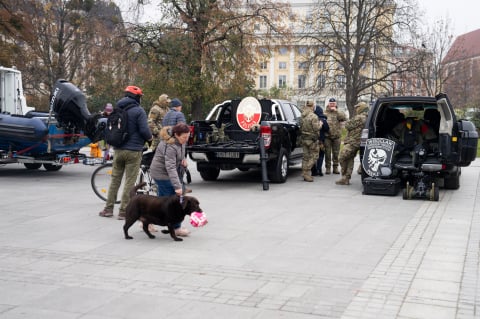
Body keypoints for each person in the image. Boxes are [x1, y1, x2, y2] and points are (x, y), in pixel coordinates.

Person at [98, 85, 153, 219]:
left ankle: (108, 209)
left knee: (115, 179)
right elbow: (144, 130)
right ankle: (123, 211)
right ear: (136, 97)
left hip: (118, 149)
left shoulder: (117, 109)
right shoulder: (139, 111)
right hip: (133, 151)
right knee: (129, 181)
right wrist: (150, 138)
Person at [149, 122, 191, 236]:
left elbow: (181, 153)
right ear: (176, 135)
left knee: (161, 201)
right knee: (173, 201)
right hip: (161, 174)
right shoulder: (170, 145)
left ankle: (147, 219)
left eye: (188, 137)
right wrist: (177, 187)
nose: (186, 140)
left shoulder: (180, 141)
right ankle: (176, 228)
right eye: (184, 137)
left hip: (169, 172)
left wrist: (183, 160)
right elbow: (170, 167)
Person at [336, 102, 369, 185]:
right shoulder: (367, 116)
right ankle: (346, 179)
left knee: (342, 157)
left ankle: (344, 176)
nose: (356, 109)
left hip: (353, 141)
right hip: (358, 141)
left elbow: (347, 126)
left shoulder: (360, 117)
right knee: (350, 159)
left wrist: (346, 122)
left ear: (362, 108)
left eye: (358, 107)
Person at [300, 100, 322, 182]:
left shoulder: (302, 115)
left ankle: (304, 173)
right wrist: (320, 125)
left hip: (304, 138)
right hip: (312, 139)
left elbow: (300, 126)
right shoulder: (314, 116)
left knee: (305, 157)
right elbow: (316, 128)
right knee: (314, 156)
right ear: (313, 106)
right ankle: (306, 172)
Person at [324, 97, 347, 175]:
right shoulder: (325, 113)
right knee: (327, 153)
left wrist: (336, 111)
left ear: (336, 104)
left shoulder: (339, 112)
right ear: (328, 104)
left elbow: (344, 118)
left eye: (333, 103)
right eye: (331, 103)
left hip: (337, 136)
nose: (332, 105)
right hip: (327, 136)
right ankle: (327, 168)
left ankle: (335, 167)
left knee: (336, 153)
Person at [312, 105, 329, 176]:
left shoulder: (313, 118)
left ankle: (313, 171)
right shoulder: (323, 120)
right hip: (321, 141)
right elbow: (327, 128)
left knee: (313, 156)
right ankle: (319, 169)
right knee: (321, 155)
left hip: (313, 140)